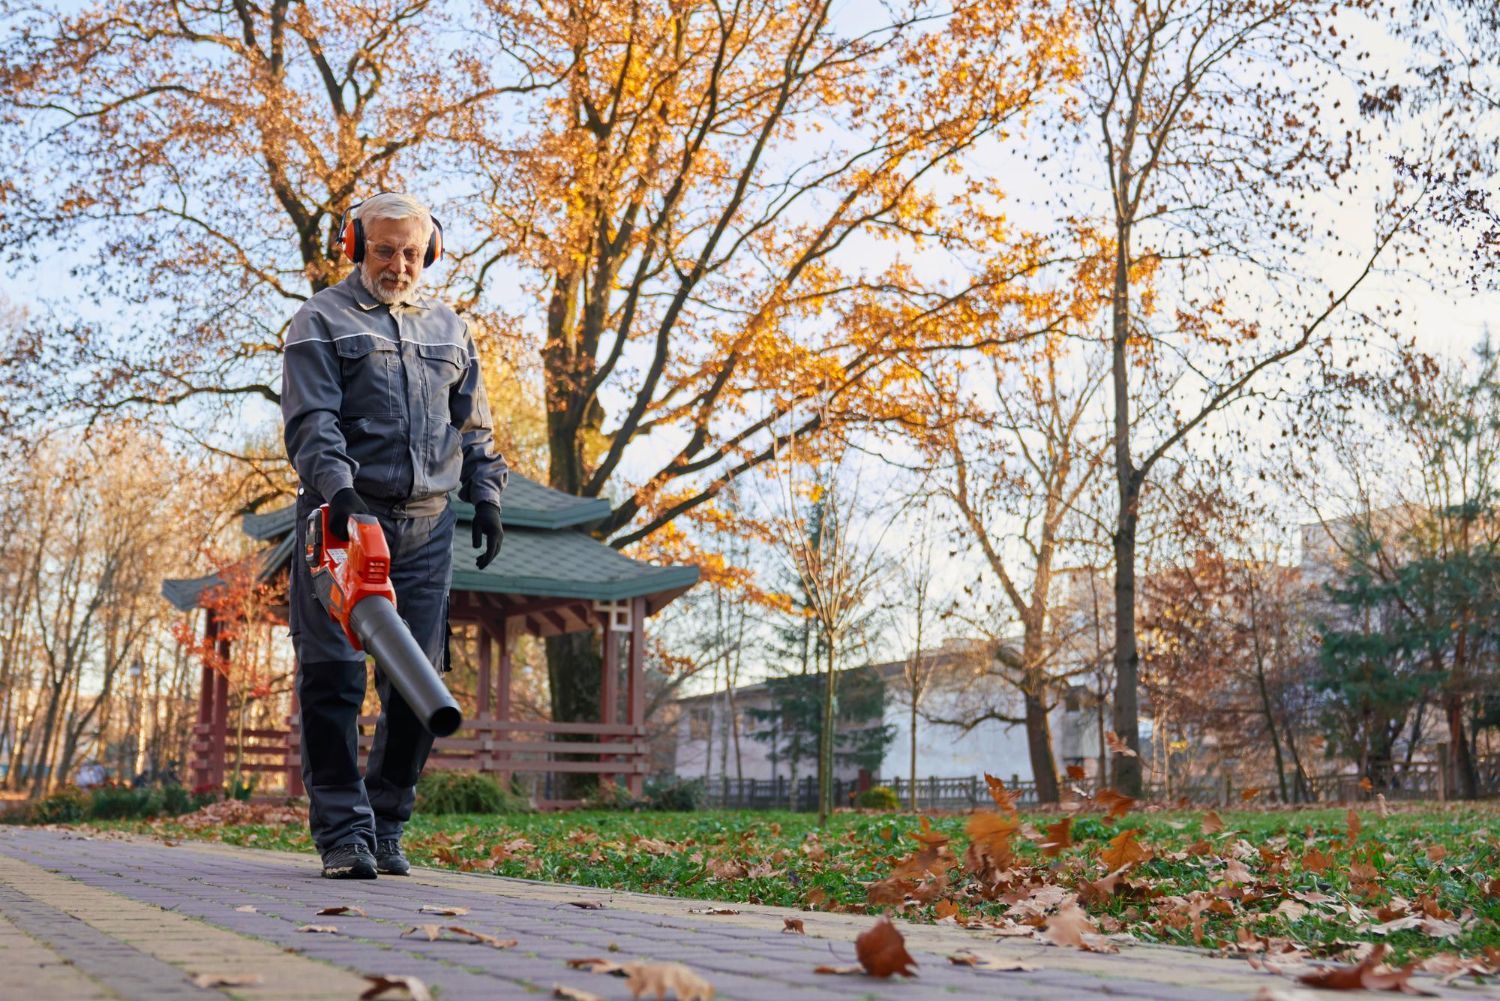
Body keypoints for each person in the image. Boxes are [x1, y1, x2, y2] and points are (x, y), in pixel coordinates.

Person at [281, 192, 507, 879]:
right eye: (384, 249)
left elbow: (474, 426)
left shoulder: (451, 329)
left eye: (411, 252)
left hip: (427, 528)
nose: (399, 264)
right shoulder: (320, 321)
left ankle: (385, 822)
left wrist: (487, 495)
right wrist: (339, 489)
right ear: (357, 245)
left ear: (429, 251)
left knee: (417, 683)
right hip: (343, 519)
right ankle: (342, 833)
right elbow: (311, 420)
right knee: (334, 678)